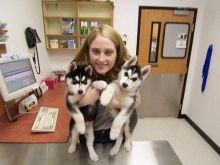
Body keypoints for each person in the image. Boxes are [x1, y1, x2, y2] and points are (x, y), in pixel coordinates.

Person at [69, 24, 140, 143]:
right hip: (90, 132)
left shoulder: (124, 71)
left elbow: (137, 101)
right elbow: (69, 101)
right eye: (96, 51)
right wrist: (85, 100)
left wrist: (115, 102)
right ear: (87, 51)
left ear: (117, 52)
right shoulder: (78, 70)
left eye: (108, 53)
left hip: (118, 132)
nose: (101, 59)